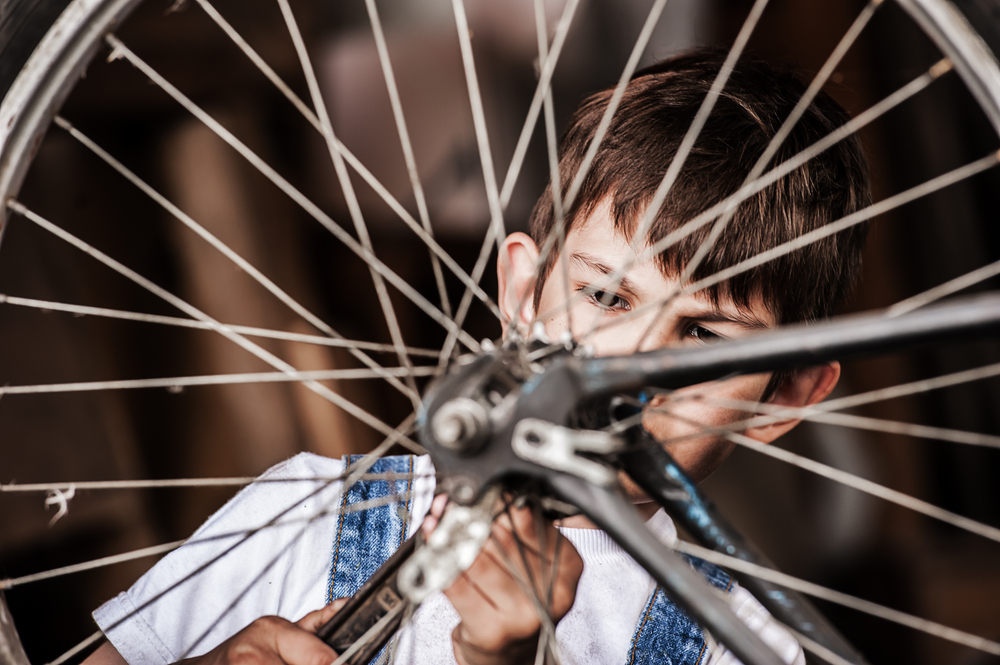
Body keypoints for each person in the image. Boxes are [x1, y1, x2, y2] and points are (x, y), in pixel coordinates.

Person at [82, 48, 870, 665]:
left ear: (785, 397)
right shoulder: (302, 516)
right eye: (606, 297)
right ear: (524, 289)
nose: (629, 368)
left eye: (701, 336)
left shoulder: (739, 644)